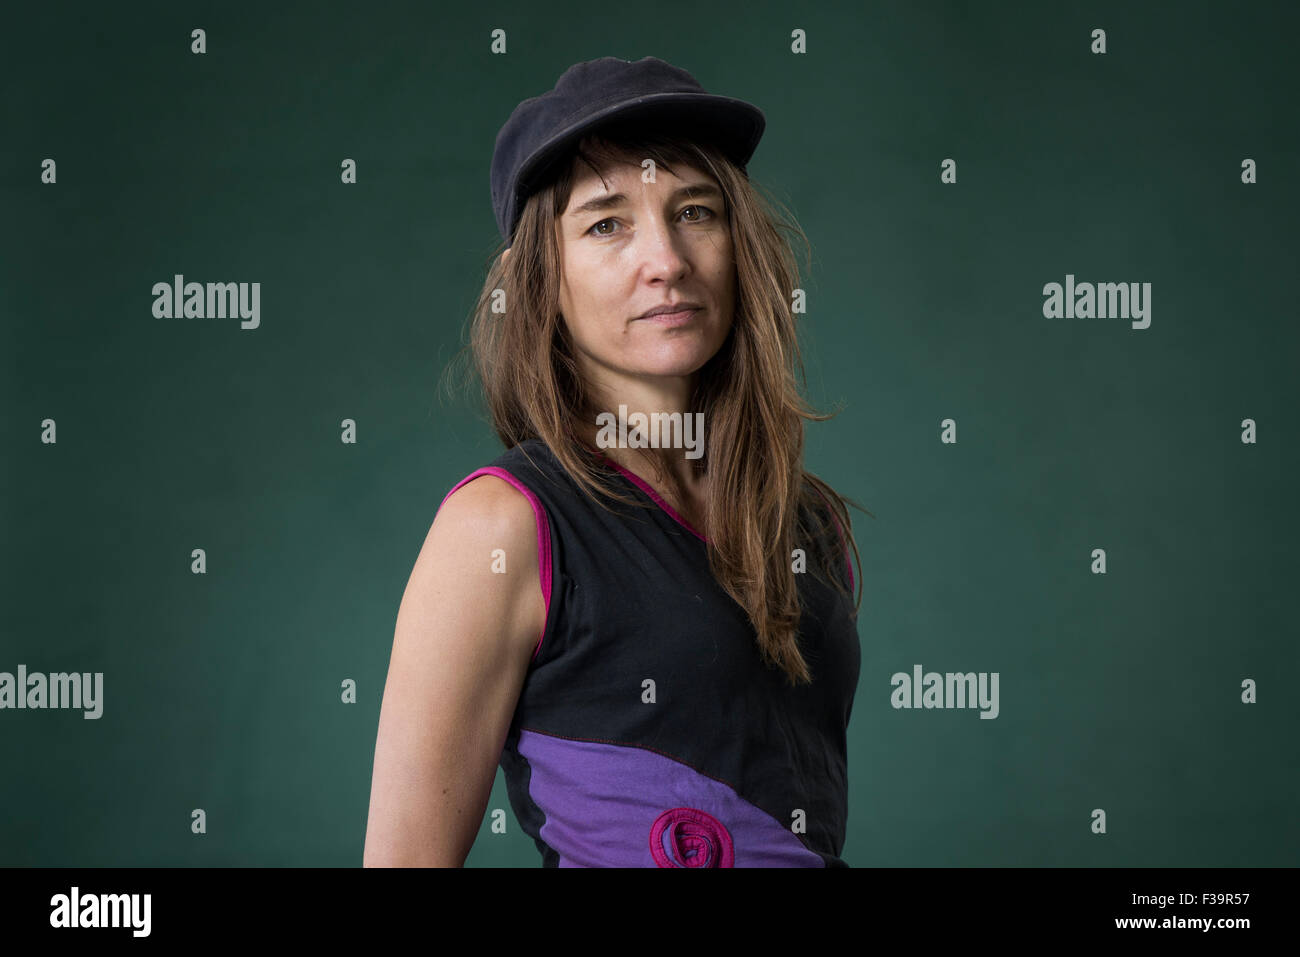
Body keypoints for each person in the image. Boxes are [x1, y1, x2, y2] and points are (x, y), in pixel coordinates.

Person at [363, 56, 868, 868]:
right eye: (606, 223)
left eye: (694, 211)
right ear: (540, 282)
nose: (665, 260)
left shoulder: (808, 522)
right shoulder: (500, 527)